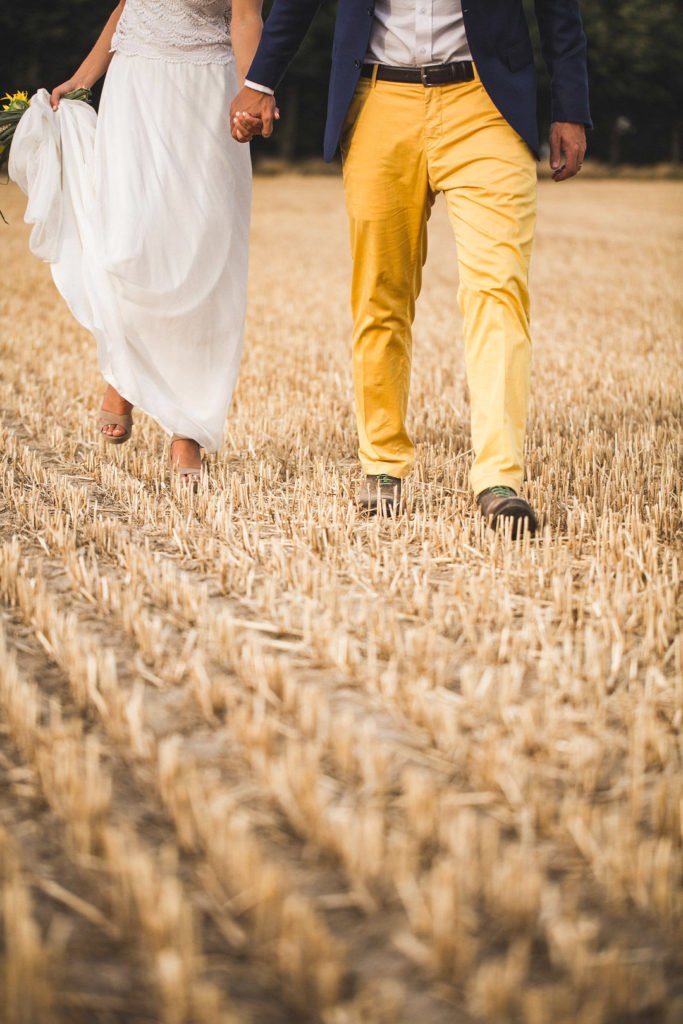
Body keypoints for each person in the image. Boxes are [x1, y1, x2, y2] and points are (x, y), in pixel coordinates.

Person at [230, 0, 590, 534]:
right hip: (378, 100)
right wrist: (261, 78)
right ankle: (382, 463)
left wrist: (571, 105)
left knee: (499, 290)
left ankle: (498, 478)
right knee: (381, 293)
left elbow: (559, 8)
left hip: (486, 103)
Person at [18, 1, 264, 485]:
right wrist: (85, 76)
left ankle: (186, 429)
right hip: (136, 81)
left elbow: (245, 16)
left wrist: (251, 92)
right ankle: (124, 374)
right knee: (128, 240)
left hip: (204, 87)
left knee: (199, 252)